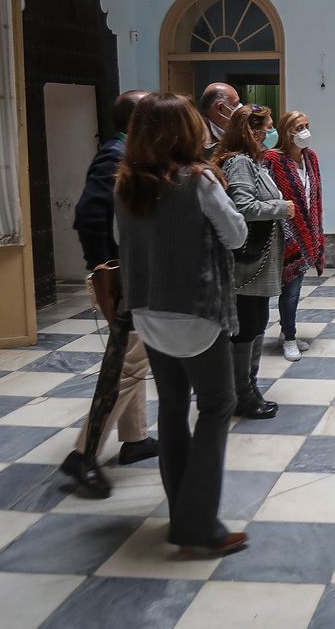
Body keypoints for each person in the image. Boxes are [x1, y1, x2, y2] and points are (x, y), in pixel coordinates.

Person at [114, 92, 248, 557]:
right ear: (188, 131)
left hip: (148, 311)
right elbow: (235, 235)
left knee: (172, 407)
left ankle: (181, 511)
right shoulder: (198, 180)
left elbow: (125, 238)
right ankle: (198, 525)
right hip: (195, 311)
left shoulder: (127, 182)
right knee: (216, 405)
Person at [61, 90, 156, 497]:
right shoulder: (115, 156)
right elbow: (89, 215)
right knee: (129, 363)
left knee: (133, 359)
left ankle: (134, 439)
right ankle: (83, 455)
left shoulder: (132, 154)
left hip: (136, 278)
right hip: (124, 280)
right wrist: (106, 268)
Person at [214, 104, 292, 418]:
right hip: (246, 262)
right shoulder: (240, 163)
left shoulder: (255, 162)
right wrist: (281, 207)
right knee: (247, 326)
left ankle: (249, 386)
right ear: (253, 130)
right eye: (268, 126)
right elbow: (242, 206)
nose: (271, 132)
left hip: (259, 260)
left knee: (256, 322)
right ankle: (241, 394)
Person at [264, 111, 325, 362]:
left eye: (307, 126)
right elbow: (268, 195)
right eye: (299, 127)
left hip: (306, 232)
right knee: (289, 292)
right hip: (282, 235)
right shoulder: (272, 160)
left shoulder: (310, 158)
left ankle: (286, 332)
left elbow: (315, 195)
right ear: (287, 131)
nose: (305, 132)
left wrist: (316, 231)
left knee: (294, 290)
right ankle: (289, 339)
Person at [199, 82, 242, 148]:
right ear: (220, 108)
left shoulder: (233, 131)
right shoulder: (200, 140)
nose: (241, 107)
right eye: (236, 104)